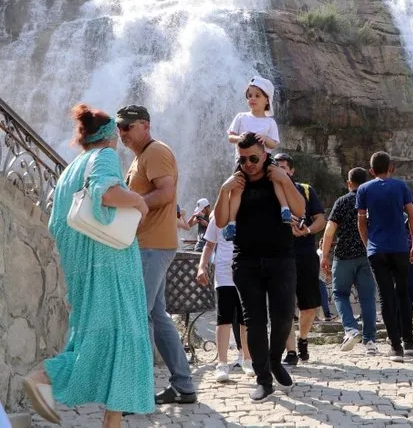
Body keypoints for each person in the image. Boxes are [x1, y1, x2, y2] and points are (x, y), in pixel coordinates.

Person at [23, 104, 153, 428]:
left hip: (83, 267)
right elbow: (106, 193)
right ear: (108, 137)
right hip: (109, 265)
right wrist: (137, 201)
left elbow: (57, 223)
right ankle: (42, 377)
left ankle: (111, 422)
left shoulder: (70, 170)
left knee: (100, 340)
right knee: (119, 337)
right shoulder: (105, 157)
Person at [213, 131, 305, 402]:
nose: (249, 163)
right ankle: (263, 377)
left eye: (254, 158)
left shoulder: (277, 176)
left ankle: (275, 361)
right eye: (243, 159)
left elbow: (299, 209)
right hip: (246, 261)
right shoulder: (236, 182)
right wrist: (223, 189)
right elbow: (219, 221)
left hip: (282, 258)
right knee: (254, 321)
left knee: (284, 317)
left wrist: (285, 180)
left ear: (264, 155)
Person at [117, 104, 197, 405]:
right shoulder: (140, 158)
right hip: (147, 244)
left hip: (153, 245)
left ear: (145, 125)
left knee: (136, 315)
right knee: (155, 315)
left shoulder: (156, 151)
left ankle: (135, 393)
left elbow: (165, 193)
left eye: (127, 126)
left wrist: (134, 203)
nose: (121, 133)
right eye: (119, 127)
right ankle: (184, 385)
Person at [356, 151, 413, 362]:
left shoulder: (364, 189)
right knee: (403, 294)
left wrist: (368, 244)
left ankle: (395, 347)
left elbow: (361, 221)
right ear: (391, 167)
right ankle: (409, 342)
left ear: (371, 170)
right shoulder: (401, 186)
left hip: (377, 250)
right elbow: (411, 215)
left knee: (386, 296)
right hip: (400, 247)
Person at [273, 152, 326, 365]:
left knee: (309, 305)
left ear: (292, 170)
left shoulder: (305, 190)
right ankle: (291, 351)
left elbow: (321, 219)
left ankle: (303, 339)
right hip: (279, 254)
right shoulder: (270, 192)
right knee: (285, 304)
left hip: (304, 253)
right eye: (276, 166)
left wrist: (307, 231)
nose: (280, 169)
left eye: (284, 166)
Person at [321, 167, 378, 354]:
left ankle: (351, 328)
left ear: (349, 183)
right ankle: (370, 341)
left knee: (339, 293)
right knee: (368, 298)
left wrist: (325, 255)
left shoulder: (342, 201)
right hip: (367, 255)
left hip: (343, 256)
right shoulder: (371, 201)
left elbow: (329, 231)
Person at [226, 76, 293, 229]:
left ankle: (285, 209)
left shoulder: (270, 122)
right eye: (249, 96)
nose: (252, 99)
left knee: (277, 178)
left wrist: (265, 138)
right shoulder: (241, 117)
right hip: (242, 160)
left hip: (265, 159)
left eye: (257, 95)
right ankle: (231, 222)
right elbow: (230, 137)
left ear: (267, 100)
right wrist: (239, 138)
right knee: (237, 186)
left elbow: (275, 143)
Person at [196, 215, 255, 382]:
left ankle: (247, 358)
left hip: (246, 272)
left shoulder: (249, 212)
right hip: (224, 275)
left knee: (245, 319)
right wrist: (202, 266)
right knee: (223, 319)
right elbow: (209, 244)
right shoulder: (217, 218)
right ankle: (222, 363)